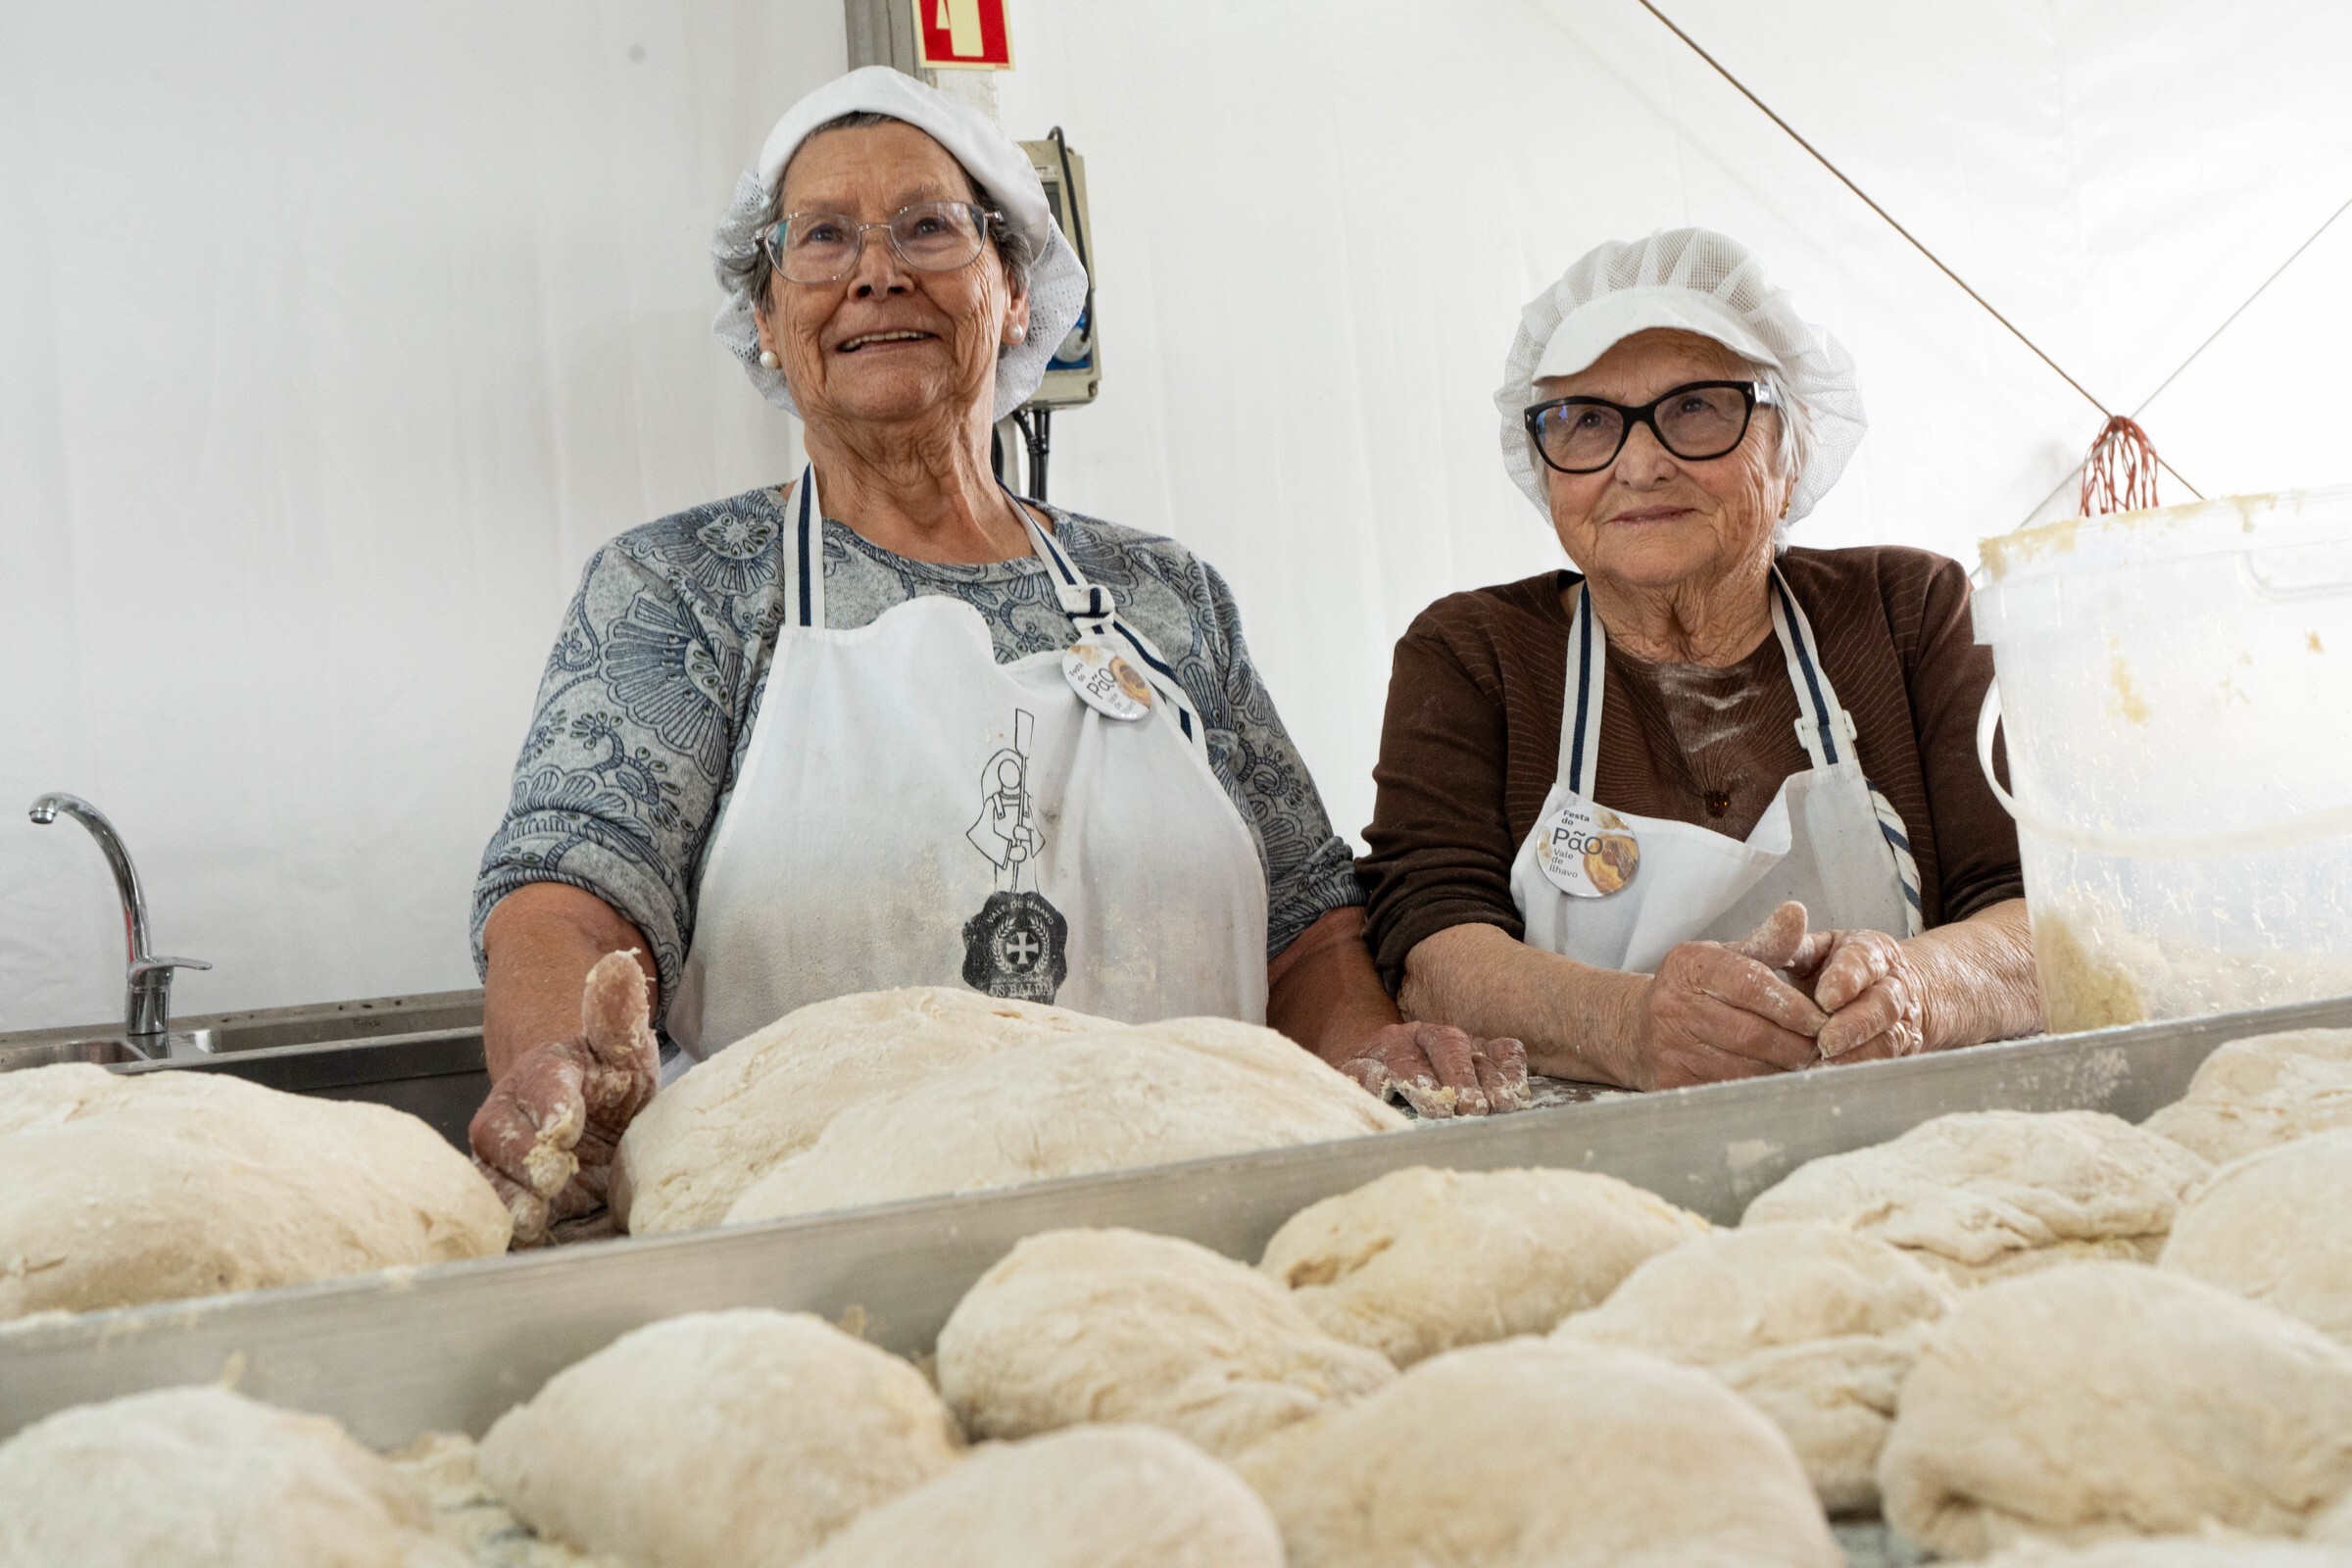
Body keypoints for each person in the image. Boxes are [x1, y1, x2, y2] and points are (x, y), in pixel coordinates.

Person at [469, 70, 1525, 1241]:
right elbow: (572, 897)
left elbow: (1307, 928)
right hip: (810, 1242)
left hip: (1204, 1219)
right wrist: (565, 1065)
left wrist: (1371, 1045)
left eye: (930, 227)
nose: (878, 270)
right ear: (767, 320)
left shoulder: (1165, 595)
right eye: (822, 239)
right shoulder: (684, 586)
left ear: (1017, 290)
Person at [1359, 228, 2040, 1093]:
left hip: (1917, 1135)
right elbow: (1432, 946)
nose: (1639, 464)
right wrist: (1631, 1028)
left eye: (1697, 408)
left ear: (1787, 451)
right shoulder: (1473, 654)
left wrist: (1916, 990)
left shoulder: (1908, 613)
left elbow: (2046, 911)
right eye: (1585, 421)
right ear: (1543, 469)